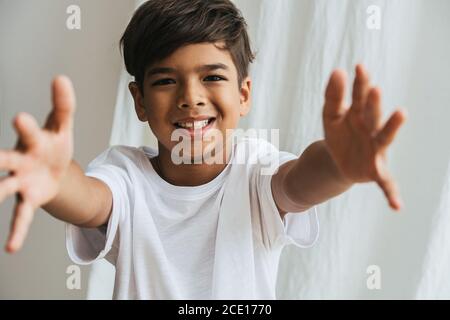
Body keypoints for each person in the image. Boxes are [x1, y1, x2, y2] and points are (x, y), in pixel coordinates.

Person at [0, 0, 406, 299]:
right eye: (164, 81)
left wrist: (339, 164)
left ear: (243, 94)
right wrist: (56, 182)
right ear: (139, 102)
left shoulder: (256, 169)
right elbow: (90, 199)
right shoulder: (124, 174)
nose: (191, 98)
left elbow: (298, 183)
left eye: (211, 76)